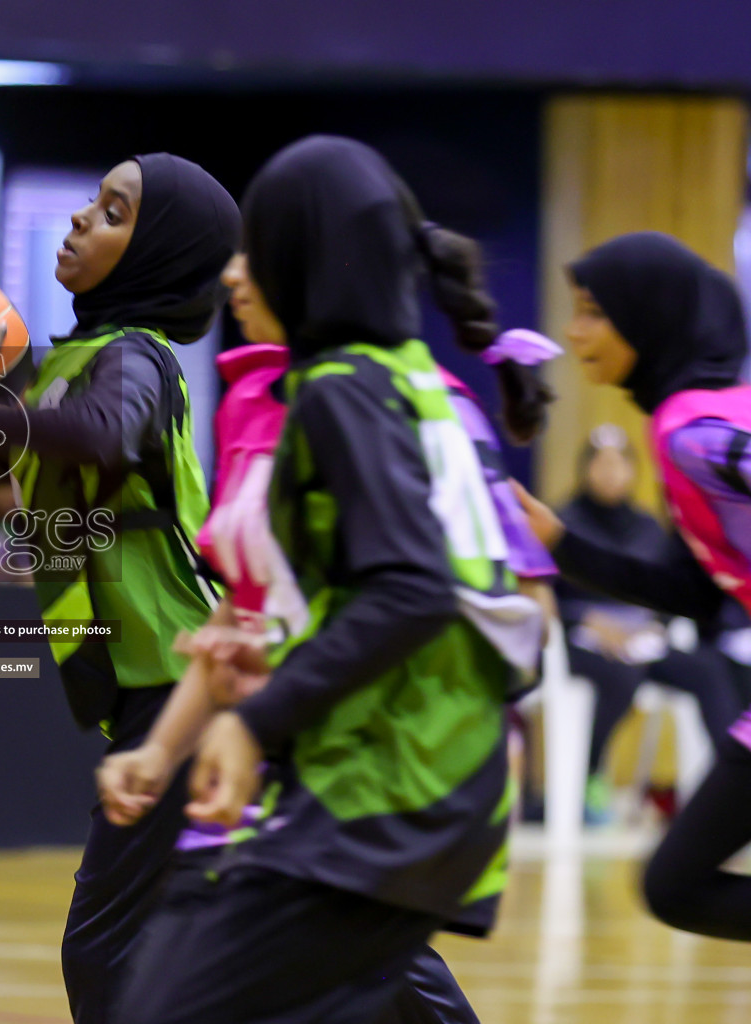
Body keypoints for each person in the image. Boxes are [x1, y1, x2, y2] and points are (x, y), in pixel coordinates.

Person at [105, 136, 546, 1024]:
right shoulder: (408, 385)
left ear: (307, 259)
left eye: (257, 246)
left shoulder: (339, 392)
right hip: (427, 789)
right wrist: (179, 738)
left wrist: (255, 721)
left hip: (383, 788)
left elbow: (414, 590)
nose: (235, 272)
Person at [0, 153, 236, 1024]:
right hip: (160, 680)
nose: (79, 219)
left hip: (183, 680)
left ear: (156, 255)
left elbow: (103, 438)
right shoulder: (83, 356)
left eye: (113, 212)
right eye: (92, 202)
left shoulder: (135, 356)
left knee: (102, 949)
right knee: (319, 927)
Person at [517, 230, 751, 942]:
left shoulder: (697, 432)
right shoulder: (694, 421)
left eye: (592, 311)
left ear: (648, 320)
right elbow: (696, 592)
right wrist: (558, 542)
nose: (572, 330)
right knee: (673, 885)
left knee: (675, 886)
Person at [556, 425, 741, 822]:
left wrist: (654, 623)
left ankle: (733, 786)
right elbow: (547, 597)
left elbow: (670, 590)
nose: (610, 472)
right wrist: (588, 619)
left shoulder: (647, 528)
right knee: (623, 676)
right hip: (581, 643)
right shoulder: (562, 523)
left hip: (641, 639)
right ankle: (590, 775)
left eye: (619, 463)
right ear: (585, 468)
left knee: (708, 668)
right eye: (600, 463)